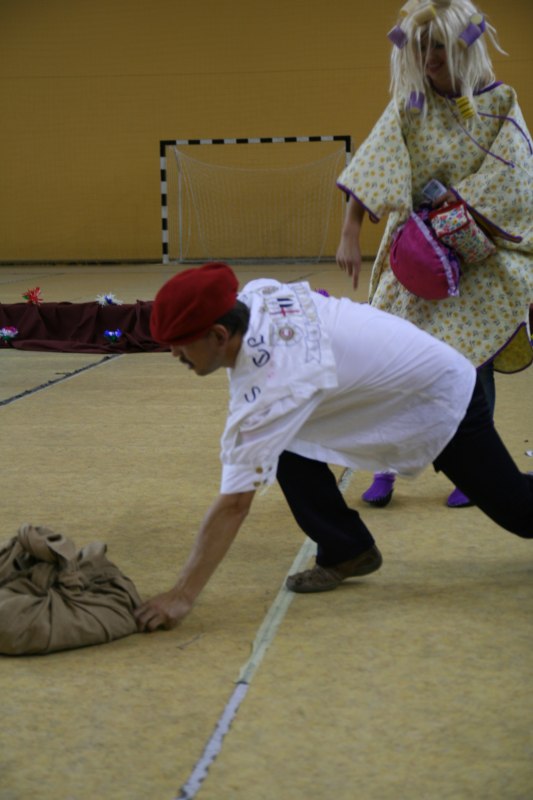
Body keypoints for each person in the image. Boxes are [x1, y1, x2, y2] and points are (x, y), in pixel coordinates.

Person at [134, 262, 533, 632]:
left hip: (441, 397)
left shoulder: (272, 386)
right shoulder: (256, 295)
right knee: (285, 443)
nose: (174, 354)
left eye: (181, 345)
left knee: (520, 512)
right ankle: (347, 549)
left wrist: (181, 595)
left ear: (220, 335)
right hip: (403, 382)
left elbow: (235, 504)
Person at [336, 0, 533, 509]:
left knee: (473, 366)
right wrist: (350, 231)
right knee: (394, 362)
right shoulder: (411, 105)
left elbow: (517, 173)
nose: (429, 58)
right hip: (417, 254)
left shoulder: (498, 101)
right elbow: (376, 159)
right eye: (421, 48)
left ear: (464, 46)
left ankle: (476, 472)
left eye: (439, 46)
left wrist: (460, 207)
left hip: (477, 257)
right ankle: (384, 467)